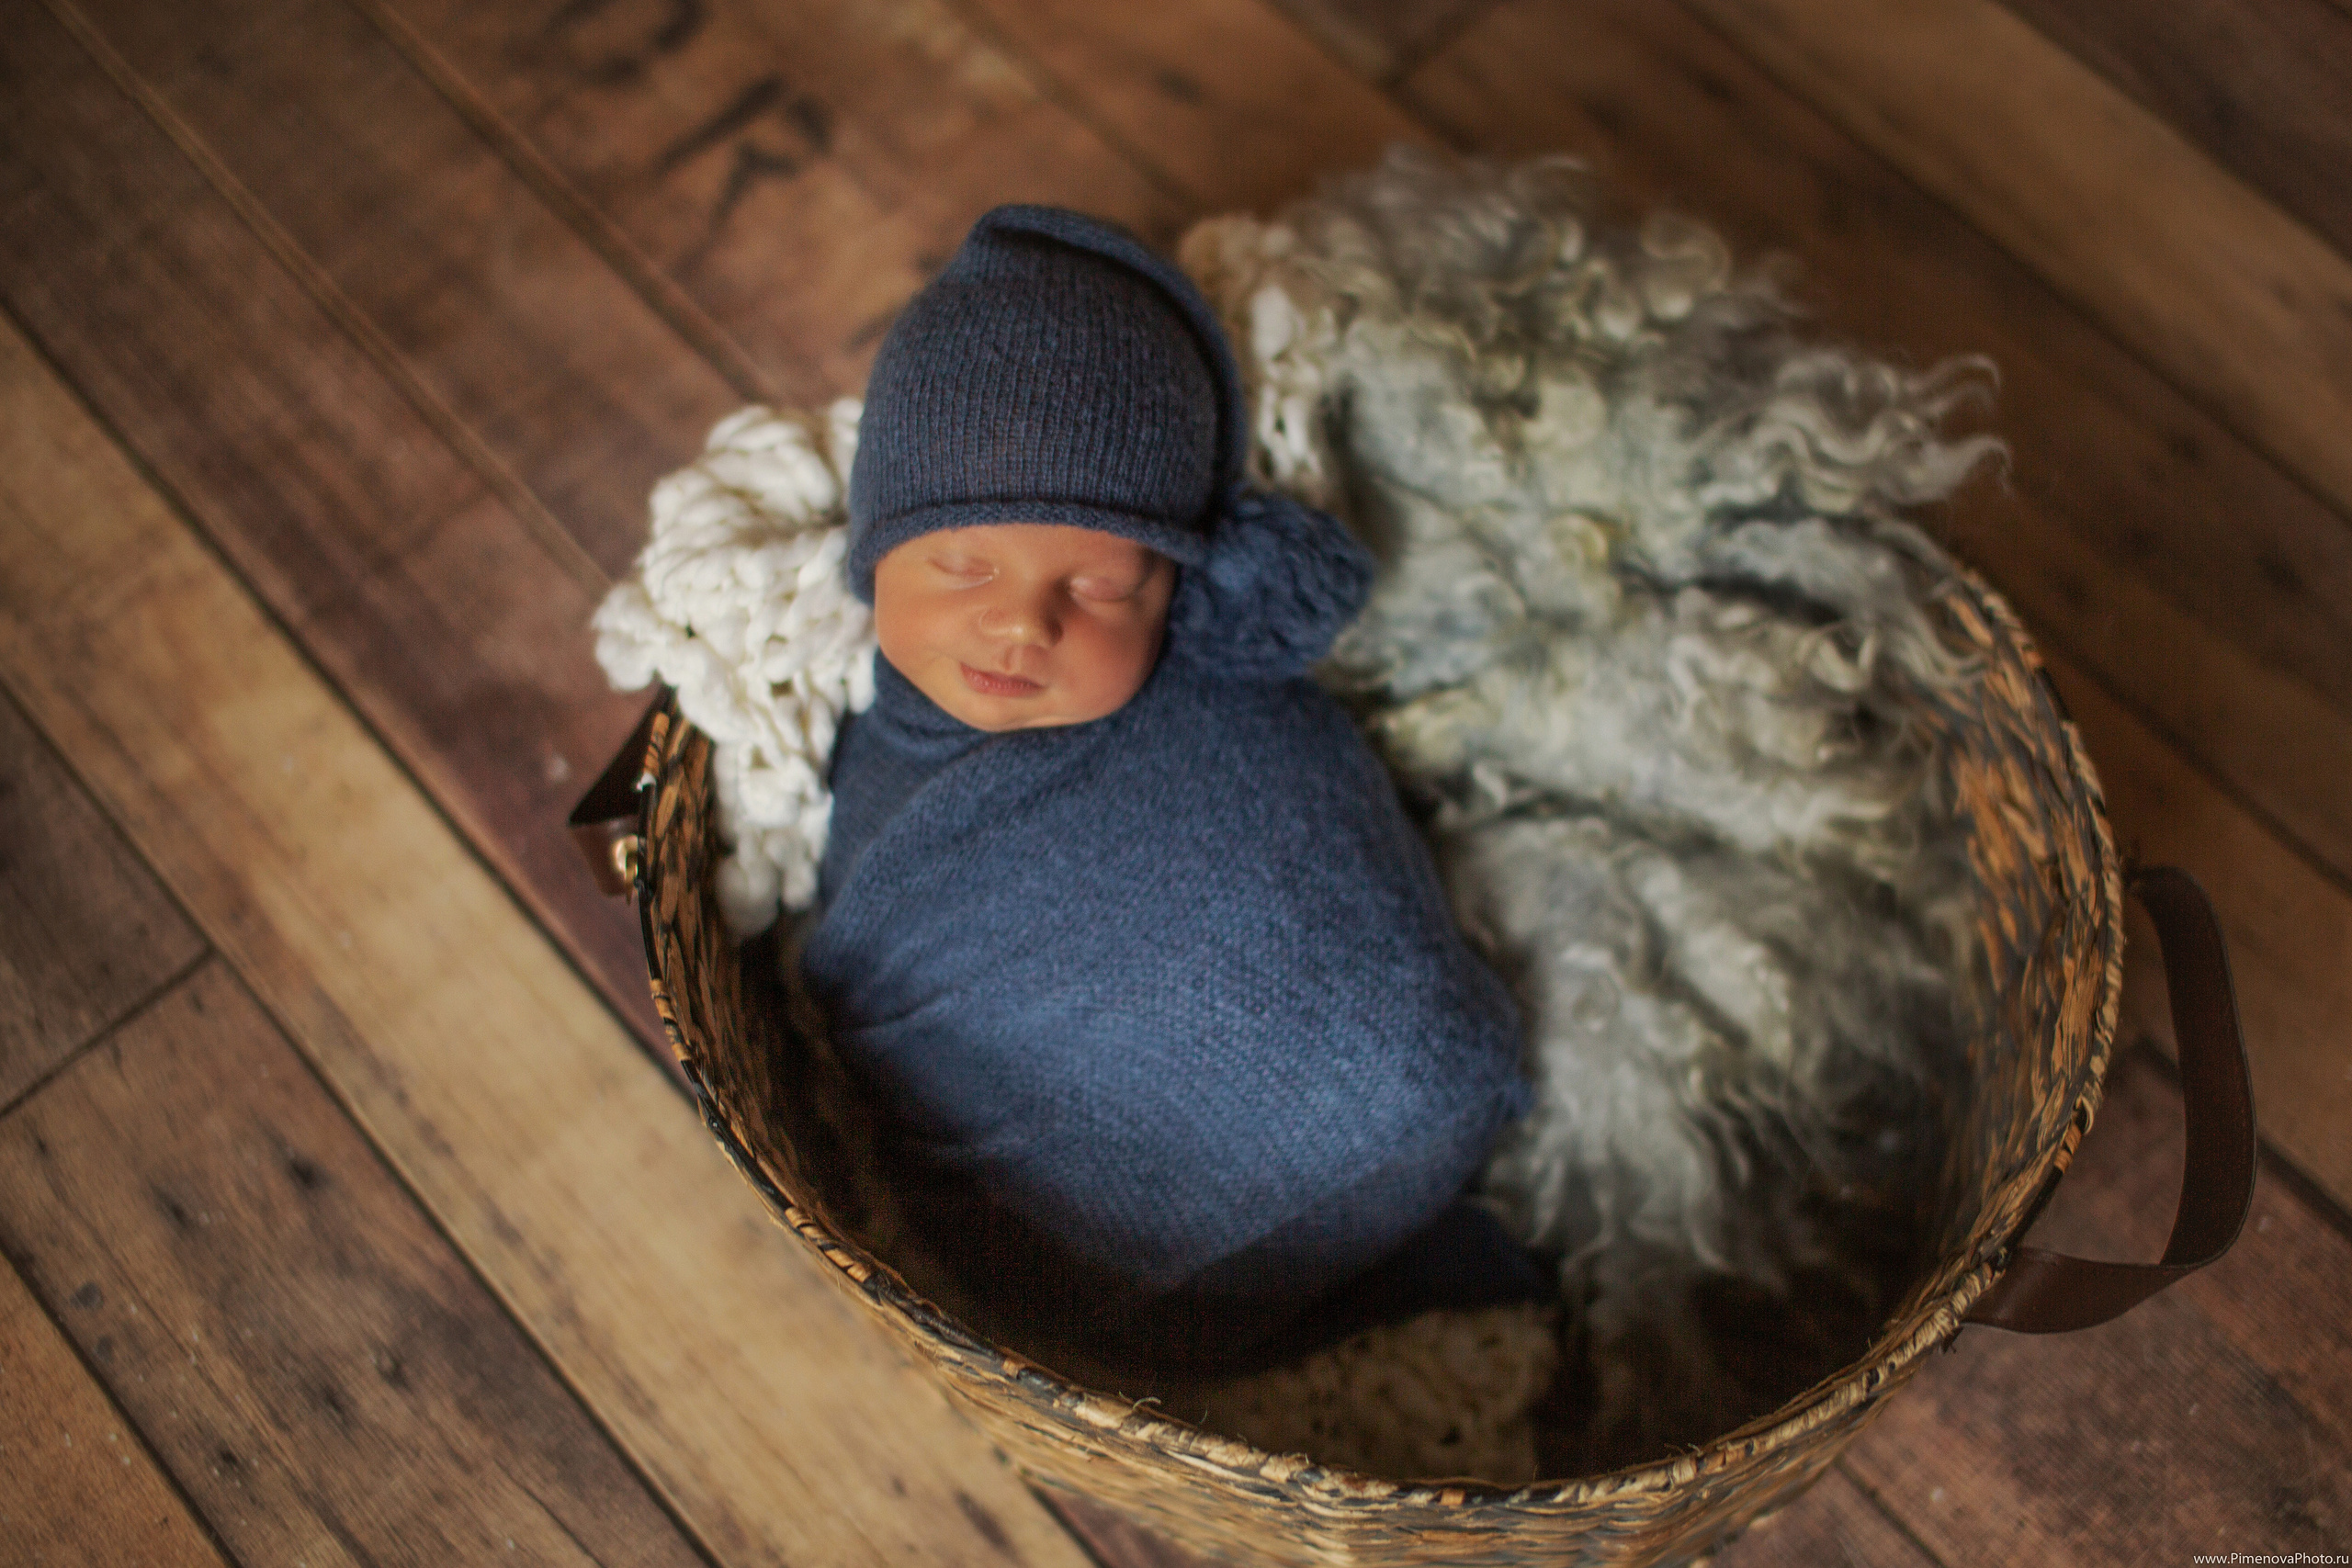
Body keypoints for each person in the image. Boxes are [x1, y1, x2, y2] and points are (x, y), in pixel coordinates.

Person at [800, 204, 1541, 1378]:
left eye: (1101, 588)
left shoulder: (1229, 692)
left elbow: (1331, 831)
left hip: (1438, 1099)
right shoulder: (857, 777)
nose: (1021, 621)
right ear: (872, 546)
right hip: (1090, 1251)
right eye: (961, 561)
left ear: (1178, 591)